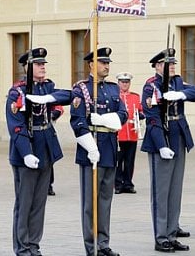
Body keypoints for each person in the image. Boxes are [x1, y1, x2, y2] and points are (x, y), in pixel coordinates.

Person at [141, 48, 195, 253]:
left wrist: (181, 94)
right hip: (162, 138)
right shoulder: (150, 86)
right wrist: (161, 145)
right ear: (158, 66)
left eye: (174, 63)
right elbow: (152, 118)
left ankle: (171, 232)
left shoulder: (177, 82)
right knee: (161, 192)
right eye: (169, 64)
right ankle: (161, 237)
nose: (173, 67)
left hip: (179, 137)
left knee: (175, 190)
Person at [6, 47, 71, 256]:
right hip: (28, 150)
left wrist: (48, 100)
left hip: (45, 149)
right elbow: (16, 126)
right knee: (25, 202)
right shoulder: (17, 92)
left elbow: (69, 95)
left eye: (44, 64)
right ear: (28, 67)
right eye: (38, 64)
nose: (43, 67)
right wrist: (26, 153)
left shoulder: (47, 87)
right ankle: (22, 247)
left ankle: (34, 245)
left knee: (39, 202)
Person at [70, 47, 127, 256]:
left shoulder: (113, 89)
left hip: (110, 148)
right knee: (90, 203)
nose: (107, 65)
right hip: (91, 150)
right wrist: (91, 147)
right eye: (103, 62)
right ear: (92, 64)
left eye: (108, 62)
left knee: (105, 201)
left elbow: (123, 114)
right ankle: (91, 246)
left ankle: (103, 243)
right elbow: (77, 122)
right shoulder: (82, 89)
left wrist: (104, 119)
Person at [115, 72, 145, 194]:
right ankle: (117, 184)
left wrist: (141, 116)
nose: (125, 84)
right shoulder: (115, 97)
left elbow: (141, 111)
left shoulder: (135, 97)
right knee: (118, 161)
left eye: (127, 82)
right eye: (122, 82)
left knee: (129, 161)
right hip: (119, 134)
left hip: (132, 134)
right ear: (118, 83)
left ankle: (128, 183)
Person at [48, 105, 65, 196]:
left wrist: (51, 115)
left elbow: (59, 109)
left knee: (48, 160)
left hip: (46, 129)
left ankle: (48, 185)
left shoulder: (48, 92)